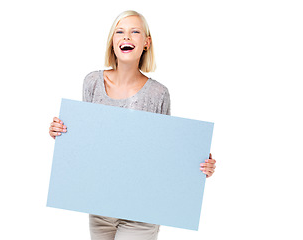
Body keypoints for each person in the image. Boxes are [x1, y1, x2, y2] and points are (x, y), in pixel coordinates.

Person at [49, 10, 216, 240]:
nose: (126, 36)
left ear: (146, 43)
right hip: (99, 206)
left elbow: (166, 150)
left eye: (135, 31)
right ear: (113, 41)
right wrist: (61, 132)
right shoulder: (92, 82)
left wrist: (196, 165)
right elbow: (86, 141)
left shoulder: (159, 93)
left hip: (142, 210)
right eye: (120, 31)